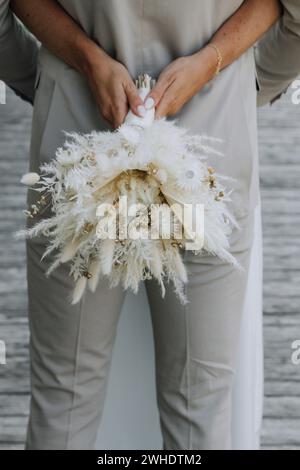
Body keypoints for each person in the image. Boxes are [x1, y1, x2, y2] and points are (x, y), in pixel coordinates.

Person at [0, 0, 289, 451]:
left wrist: (66, 68)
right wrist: (226, 71)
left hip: (80, 156)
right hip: (207, 163)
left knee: (65, 398)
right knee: (200, 408)